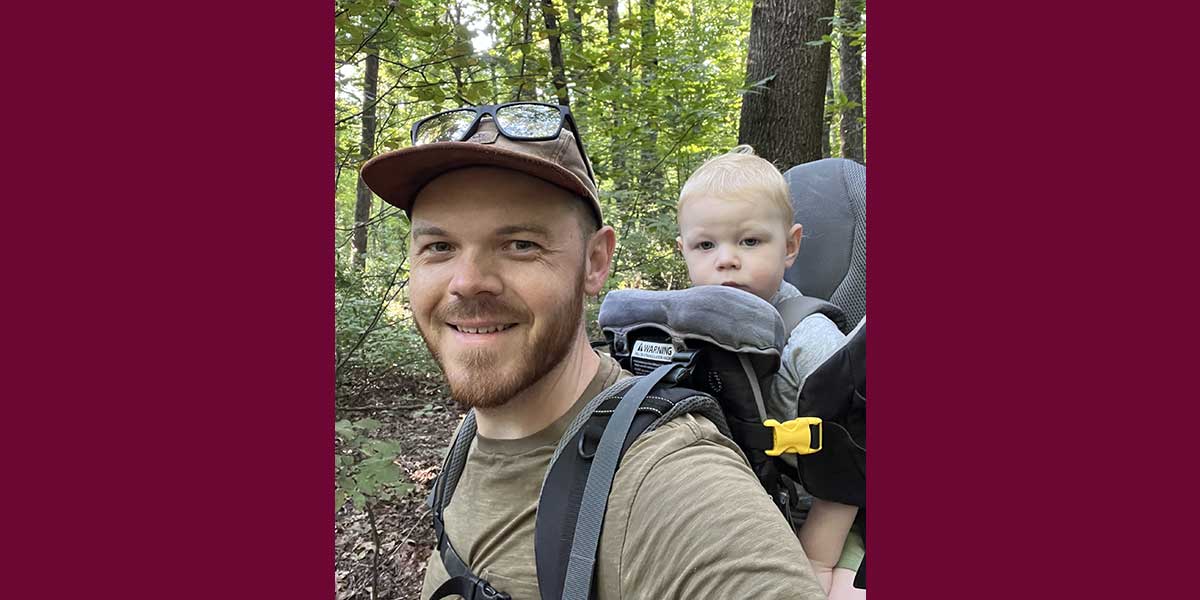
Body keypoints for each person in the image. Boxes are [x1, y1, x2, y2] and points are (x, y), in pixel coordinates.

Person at [361, 103, 827, 600]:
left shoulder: (670, 482)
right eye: (438, 247)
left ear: (595, 262)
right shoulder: (470, 435)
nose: (468, 281)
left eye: (520, 244)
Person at [674, 145, 863, 598]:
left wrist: (816, 555)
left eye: (750, 241)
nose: (726, 259)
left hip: (841, 516)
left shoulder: (809, 339)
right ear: (684, 252)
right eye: (706, 245)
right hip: (745, 510)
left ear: (791, 246)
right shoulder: (683, 337)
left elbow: (858, 449)